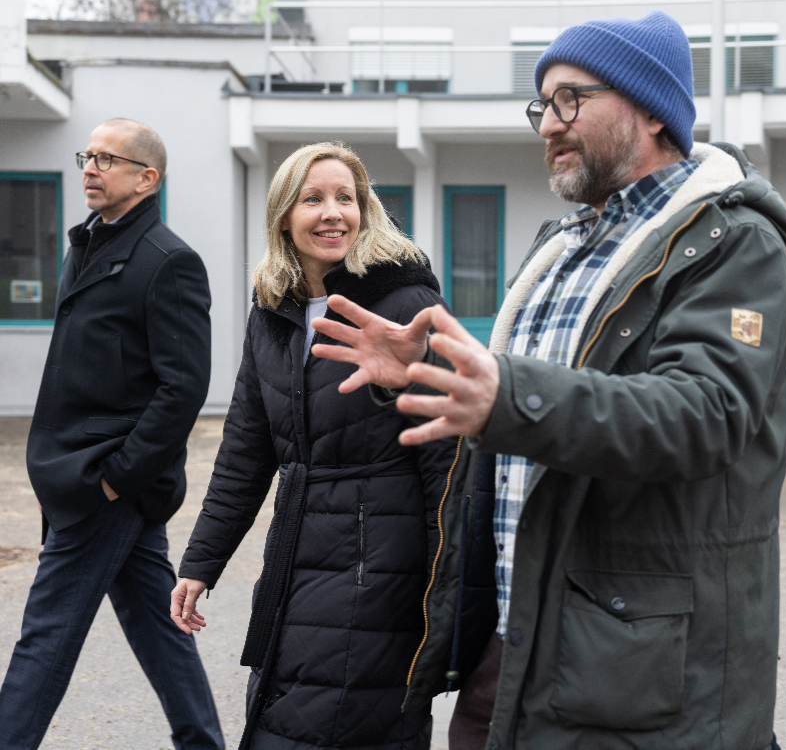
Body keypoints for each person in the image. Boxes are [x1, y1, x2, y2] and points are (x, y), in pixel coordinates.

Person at [310, 11, 786, 750]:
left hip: (632, 664)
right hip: (515, 639)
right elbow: (537, 403)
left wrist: (505, 395)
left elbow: (703, 414)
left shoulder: (735, 244)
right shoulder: (561, 246)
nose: (548, 124)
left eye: (571, 99)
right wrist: (431, 372)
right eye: (541, 105)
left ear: (651, 110)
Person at [170, 142, 457, 750]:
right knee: (284, 713)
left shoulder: (407, 305)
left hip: (380, 566)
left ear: (365, 210)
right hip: (295, 557)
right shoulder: (273, 312)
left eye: (346, 198)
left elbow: (448, 460)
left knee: (338, 724)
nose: (333, 213)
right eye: (313, 199)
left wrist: (447, 591)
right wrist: (201, 562)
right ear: (283, 217)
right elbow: (245, 451)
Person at [0, 118, 222, 749]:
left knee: (44, 636)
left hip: (102, 482)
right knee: (159, 628)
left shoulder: (169, 262)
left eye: (107, 159)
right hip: (83, 476)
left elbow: (183, 388)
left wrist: (116, 479)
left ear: (147, 178)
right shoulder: (86, 245)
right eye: (87, 156)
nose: (90, 168)